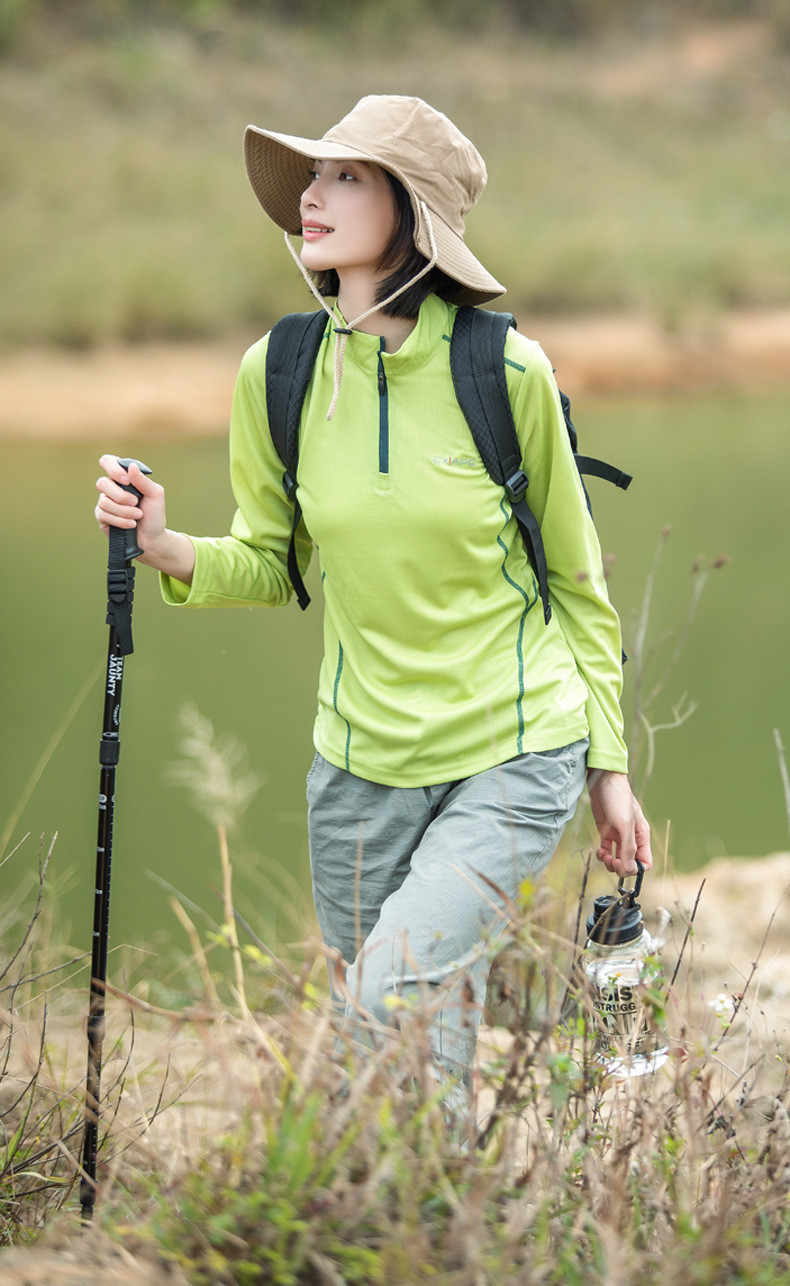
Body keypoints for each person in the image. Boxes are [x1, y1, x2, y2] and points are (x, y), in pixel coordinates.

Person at [95, 94, 652, 1112]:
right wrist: (165, 542)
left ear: (413, 211)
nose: (310, 195)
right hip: (358, 765)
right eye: (313, 175)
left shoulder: (505, 371)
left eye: (346, 176)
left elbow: (577, 583)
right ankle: (429, 1229)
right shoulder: (282, 371)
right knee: (406, 1024)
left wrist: (607, 766)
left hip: (514, 743)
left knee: (389, 992)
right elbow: (269, 561)